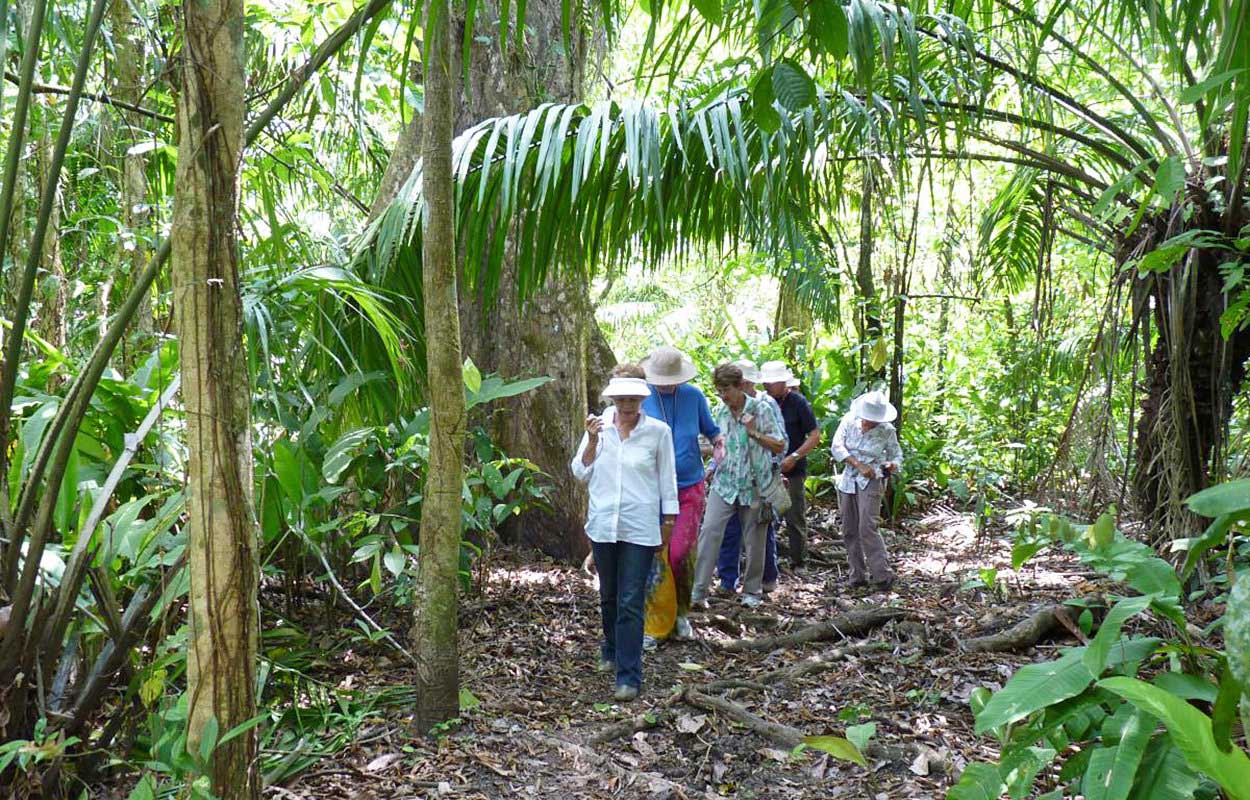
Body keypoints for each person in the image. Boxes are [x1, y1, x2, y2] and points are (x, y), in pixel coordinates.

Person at [571, 374, 678, 701]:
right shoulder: (598, 430)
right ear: (612, 401)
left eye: (633, 399)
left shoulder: (658, 433)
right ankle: (611, 646)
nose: (627, 406)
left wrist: (668, 521)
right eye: (621, 400)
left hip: (640, 526)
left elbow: (667, 479)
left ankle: (629, 675)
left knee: (631, 599)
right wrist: (591, 442)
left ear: (642, 401)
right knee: (610, 594)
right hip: (604, 524)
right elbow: (579, 472)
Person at [639, 346, 724, 646]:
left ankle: (681, 614)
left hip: (689, 486)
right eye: (662, 379)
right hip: (652, 490)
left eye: (672, 378)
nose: (667, 384)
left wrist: (719, 447)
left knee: (680, 554)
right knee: (654, 556)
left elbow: (713, 432)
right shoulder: (641, 397)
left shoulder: (694, 396)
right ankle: (655, 623)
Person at [691, 363, 785, 609]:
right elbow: (718, 446)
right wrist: (710, 467)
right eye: (719, 391)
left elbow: (779, 445)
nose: (723, 396)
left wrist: (754, 433)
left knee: (755, 541)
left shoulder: (761, 409)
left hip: (755, 485)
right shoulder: (720, 412)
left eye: (727, 390)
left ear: (740, 386)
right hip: (725, 483)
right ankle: (698, 591)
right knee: (709, 531)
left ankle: (752, 591)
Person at [716, 360, 787, 594]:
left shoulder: (765, 406)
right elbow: (723, 443)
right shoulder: (725, 410)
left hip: (760, 480)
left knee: (761, 533)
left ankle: (766, 579)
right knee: (730, 531)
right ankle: (728, 580)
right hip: (732, 482)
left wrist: (773, 470)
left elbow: (779, 441)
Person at [829, 390, 902, 590]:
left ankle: (882, 575)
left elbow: (897, 456)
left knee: (867, 527)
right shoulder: (849, 421)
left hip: (872, 480)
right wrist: (858, 464)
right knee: (849, 528)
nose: (870, 423)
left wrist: (892, 466)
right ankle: (857, 575)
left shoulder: (887, 430)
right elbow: (837, 446)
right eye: (869, 419)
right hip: (849, 479)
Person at [761, 361, 821, 567]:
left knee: (795, 515)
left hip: (793, 469)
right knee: (765, 514)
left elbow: (814, 435)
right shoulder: (762, 402)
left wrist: (794, 456)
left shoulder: (798, 403)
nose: (767, 386)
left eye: (771, 383)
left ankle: (799, 559)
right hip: (766, 468)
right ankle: (769, 559)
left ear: (782, 382)